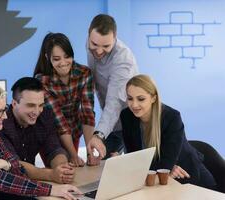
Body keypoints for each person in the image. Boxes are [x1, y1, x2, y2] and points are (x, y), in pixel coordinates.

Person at [120, 74, 216, 189]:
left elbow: (166, 162)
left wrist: (164, 167)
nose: (134, 105)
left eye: (141, 99)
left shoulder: (172, 117)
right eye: (130, 98)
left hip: (189, 177)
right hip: (160, 179)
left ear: (153, 98)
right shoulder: (126, 116)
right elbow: (134, 158)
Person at [34, 33, 96, 167]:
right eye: (56, 59)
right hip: (50, 133)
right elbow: (59, 121)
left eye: (67, 56)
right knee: (63, 168)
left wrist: (91, 153)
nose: (63, 63)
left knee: (76, 169)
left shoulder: (84, 73)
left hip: (74, 129)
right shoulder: (42, 81)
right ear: (48, 58)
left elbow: (87, 114)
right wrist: (74, 155)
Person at [0, 77, 75, 184]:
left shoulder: (45, 116)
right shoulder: (0, 123)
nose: (37, 111)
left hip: (30, 185)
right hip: (5, 188)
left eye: (40, 105)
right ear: (14, 103)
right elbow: (13, 165)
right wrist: (51, 174)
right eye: (30, 105)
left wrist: (62, 168)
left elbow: (54, 149)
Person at [86, 14, 139, 163]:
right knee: (99, 166)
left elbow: (114, 103)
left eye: (106, 46)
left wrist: (98, 135)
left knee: (134, 170)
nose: (99, 51)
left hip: (131, 121)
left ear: (115, 39)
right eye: (94, 44)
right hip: (111, 123)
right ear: (89, 34)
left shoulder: (123, 60)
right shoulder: (91, 42)